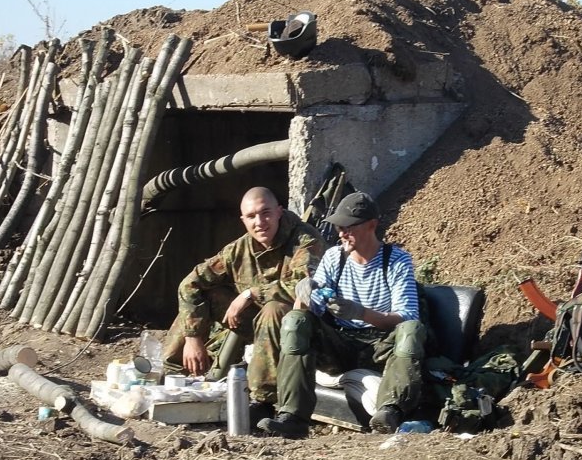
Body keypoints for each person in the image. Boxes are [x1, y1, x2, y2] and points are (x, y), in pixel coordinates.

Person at [257, 191, 426, 438]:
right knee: (294, 321)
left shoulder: (396, 261)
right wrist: (304, 295)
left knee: (411, 330)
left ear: (371, 225)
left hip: (380, 346)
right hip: (340, 342)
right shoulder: (334, 257)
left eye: (349, 227)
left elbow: (407, 316)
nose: (342, 234)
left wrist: (361, 312)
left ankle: (391, 411)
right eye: (339, 227)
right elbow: (309, 311)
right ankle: (292, 416)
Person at [162, 187, 326, 420]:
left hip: (298, 329)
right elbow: (190, 284)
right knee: (209, 294)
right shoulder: (239, 249)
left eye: (266, 213)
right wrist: (192, 337)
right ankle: (173, 376)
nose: (259, 222)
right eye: (251, 216)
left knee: (273, 308)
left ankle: (264, 400)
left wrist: (250, 294)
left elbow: (304, 287)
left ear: (279, 212)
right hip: (254, 325)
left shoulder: (305, 240)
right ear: (243, 220)